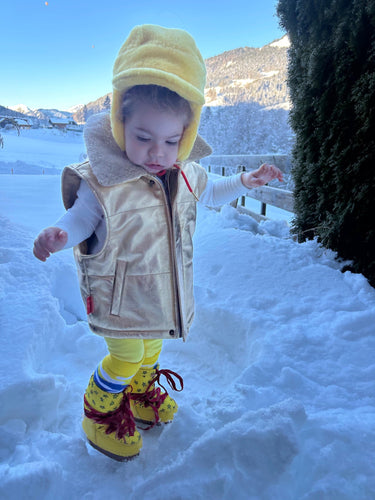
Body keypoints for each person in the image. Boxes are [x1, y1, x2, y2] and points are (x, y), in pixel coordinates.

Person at [33, 24, 283, 461]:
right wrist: (59, 234)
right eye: (143, 137)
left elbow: (211, 192)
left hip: (160, 293)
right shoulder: (103, 181)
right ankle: (99, 410)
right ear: (119, 124)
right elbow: (80, 218)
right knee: (126, 355)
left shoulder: (184, 172)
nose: (157, 152)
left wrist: (245, 180)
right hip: (118, 295)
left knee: (150, 348)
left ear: (186, 135)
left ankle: (140, 392)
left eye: (171, 141)